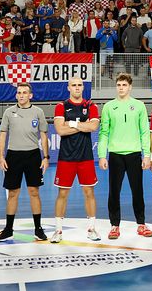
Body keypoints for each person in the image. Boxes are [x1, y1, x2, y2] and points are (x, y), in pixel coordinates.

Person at [98, 73, 152, 240]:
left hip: (134, 154)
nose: (121, 88)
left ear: (130, 87)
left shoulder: (139, 106)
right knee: (114, 192)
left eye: (124, 85)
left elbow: (145, 132)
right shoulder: (108, 106)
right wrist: (102, 155)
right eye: (119, 85)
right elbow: (104, 133)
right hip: (115, 155)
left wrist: (147, 155)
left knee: (137, 190)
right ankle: (114, 226)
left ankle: (141, 224)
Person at [0, 83, 50, 241]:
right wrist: (1, 156)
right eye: (19, 92)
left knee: (34, 192)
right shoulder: (8, 112)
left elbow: (44, 135)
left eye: (25, 92)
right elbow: (3, 135)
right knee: (13, 193)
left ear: (30, 95)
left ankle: (38, 229)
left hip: (33, 155)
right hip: (13, 156)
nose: (21, 95)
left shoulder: (38, 112)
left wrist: (46, 157)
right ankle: (8, 229)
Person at [51, 77, 101, 242]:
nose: (77, 87)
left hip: (85, 157)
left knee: (89, 192)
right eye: (74, 85)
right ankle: (58, 231)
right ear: (68, 88)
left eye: (80, 85)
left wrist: (71, 123)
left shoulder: (91, 106)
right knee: (63, 193)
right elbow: (60, 130)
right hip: (66, 157)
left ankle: (92, 229)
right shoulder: (61, 106)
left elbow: (93, 127)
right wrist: (81, 125)